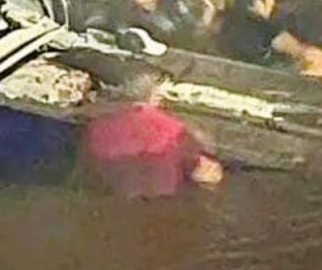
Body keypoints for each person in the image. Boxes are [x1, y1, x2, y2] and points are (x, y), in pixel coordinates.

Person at [82, 73, 223, 199]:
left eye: (208, 173)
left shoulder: (166, 179)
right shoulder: (194, 143)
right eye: (213, 167)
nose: (208, 167)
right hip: (127, 113)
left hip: (114, 122)